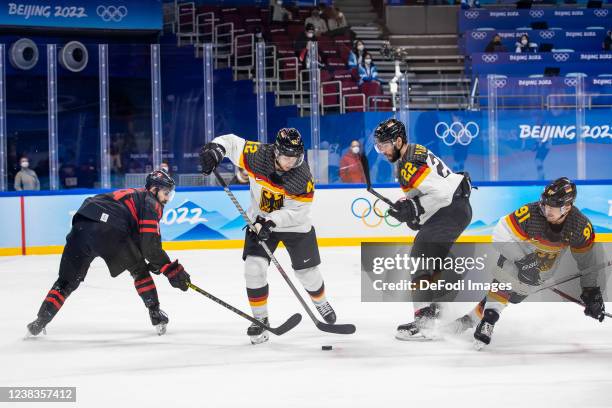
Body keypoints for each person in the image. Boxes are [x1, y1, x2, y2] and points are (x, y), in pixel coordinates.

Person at [199, 128, 337, 344]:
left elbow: (298, 212)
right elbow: (233, 143)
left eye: (295, 157)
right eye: (286, 157)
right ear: (275, 152)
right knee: (254, 268)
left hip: (293, 225)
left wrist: (272, 221)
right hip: (260, 220)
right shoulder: (258, 155)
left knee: (307, 273)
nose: (290, 162)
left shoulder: (302, 177)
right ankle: (260, 320)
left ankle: (321, 302)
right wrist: (216, 150)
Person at [26, 169, 190, 337]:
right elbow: (150, 247)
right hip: (110, 227)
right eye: (166, 193)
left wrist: (157, 263)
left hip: (83, 222)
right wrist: (171, 270)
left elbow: (140, 241)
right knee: (139, 269)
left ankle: (40, 321)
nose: (167, 199)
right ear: (154, 190)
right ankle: (155, 313)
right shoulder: (151, 202)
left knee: (66, 282)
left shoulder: (134, 197)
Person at [449, 178, 605, 349]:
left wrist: (591, 292)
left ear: (566, 207)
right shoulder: (531, 213)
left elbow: (587, 262)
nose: (546, 209)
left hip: (541, 273)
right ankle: (488, 321)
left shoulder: (580, 227)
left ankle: (469, 320)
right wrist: (523, 261)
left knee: (513, 296)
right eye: (545, 204)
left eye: (552, 206)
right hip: (517, 259)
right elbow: (500, 234)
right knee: (505, 282)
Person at [373, 118, 473, 340]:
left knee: (421, 255)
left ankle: (425, 323)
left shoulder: (408, 163)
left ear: (398, 141)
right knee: (432, 257)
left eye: (385, 145)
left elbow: (442, 194)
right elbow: (434, 191)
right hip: (456, 209)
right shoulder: (414, 152)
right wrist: (414, 213)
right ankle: (438, 309)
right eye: (378, 147)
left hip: (451, 209)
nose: (382, 151)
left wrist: (413, 208)